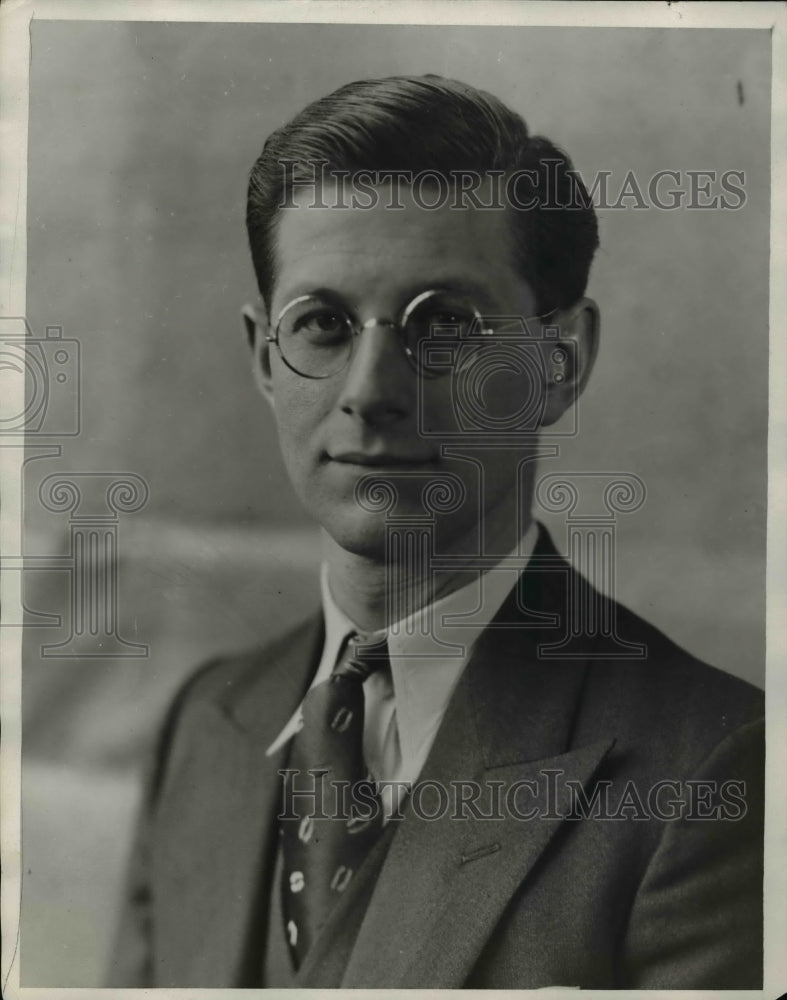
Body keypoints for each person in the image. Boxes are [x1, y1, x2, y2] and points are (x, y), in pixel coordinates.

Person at [108, 75, 764, 989]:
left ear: (559, 361)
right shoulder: (205, 726)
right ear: (264, 358)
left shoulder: (710, 768)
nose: (371, 390)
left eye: (446, 325)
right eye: (323, 324)